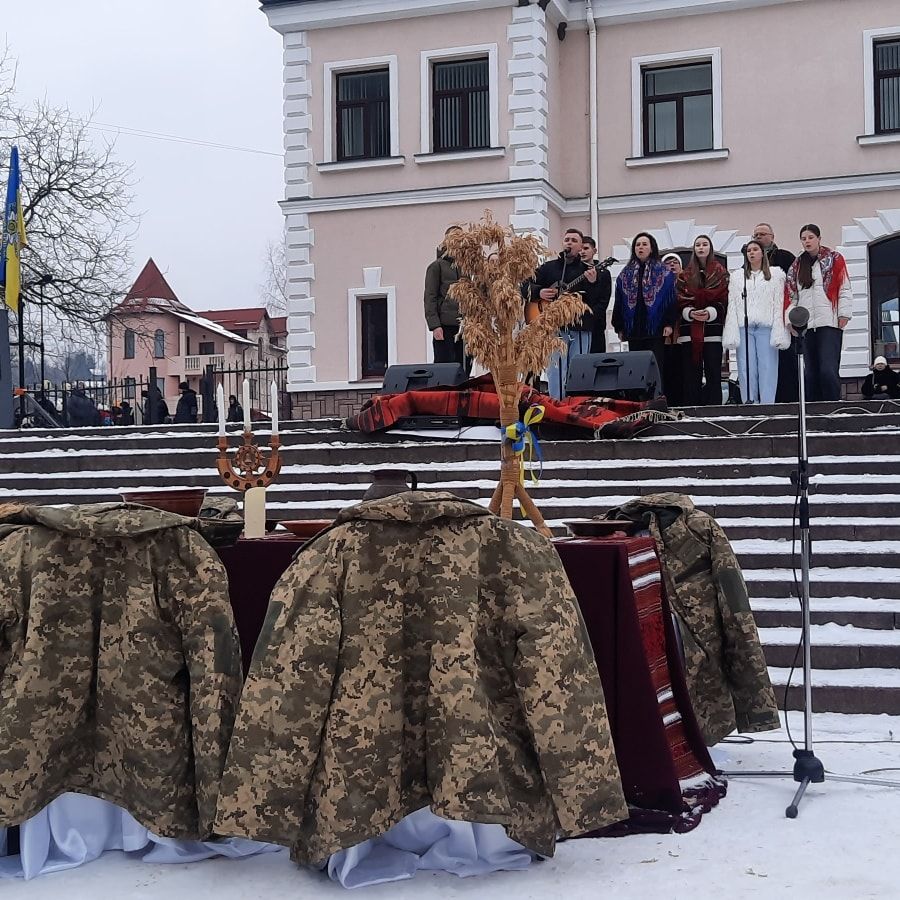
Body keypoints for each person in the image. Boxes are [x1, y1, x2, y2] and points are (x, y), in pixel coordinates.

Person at [530, 228, 602, 399]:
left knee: (579, 367)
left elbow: (596, 301)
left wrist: (592, 284)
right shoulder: (549, 268)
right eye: (567, 239)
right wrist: (539, 292)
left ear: (580, 247)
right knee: (555, 369)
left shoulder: (589, 270)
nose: (569, 243)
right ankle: (557, 403)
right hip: (555, 327)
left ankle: (577, 403)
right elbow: (525, 285)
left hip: (580, 326)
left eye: (574, 240)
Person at [784, 224, 852, 402]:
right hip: (806, 326)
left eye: (810, 237)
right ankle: (813, 410)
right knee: (810, 371)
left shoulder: (834, 259)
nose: (807, 241)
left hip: (829, 323)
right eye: (804, 238)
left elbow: (844, 288)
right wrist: (790, 320)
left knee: (827, 369)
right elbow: (792, 296)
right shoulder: (797, 265)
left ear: (819, 238)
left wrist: (843, 314)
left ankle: (832, 406)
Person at [722, 240, 789, 405]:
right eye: (749, 250)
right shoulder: (738, 277)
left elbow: (779, 303)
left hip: (766, 326)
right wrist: (731, 330)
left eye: (755, 249)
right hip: (744, 327)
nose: (751, 253)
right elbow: (733, 304)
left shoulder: (775, 276)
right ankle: (749, 400)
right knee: (746, 368)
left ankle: (767, 403)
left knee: (767, 367)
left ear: (762, 253)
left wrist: (779, 329)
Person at [612, 233, 676, 394]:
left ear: (652, 247)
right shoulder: (625, 273)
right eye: (638, 245)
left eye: (644, 244)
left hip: (655, 329)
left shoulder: (664, 271)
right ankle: (637, 399)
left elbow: (670, 300)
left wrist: (669, 323)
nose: (640, 247)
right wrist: (619, 326)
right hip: (633, 330)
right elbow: (619, 301)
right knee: (635, 367)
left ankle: (657, 398)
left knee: (655, 365)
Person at [676, 235, 729, 406]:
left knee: (714, 372)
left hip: (713, 330)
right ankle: (692, 408)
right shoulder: (684, 275)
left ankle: (715, 408)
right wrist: (690, 313)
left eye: (705, 244)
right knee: (691, 373)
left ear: (710, 248)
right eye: (697, 245)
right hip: (689, 331)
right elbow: (679, 300)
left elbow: (724, 299)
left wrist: (710, 312)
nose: (701, 247)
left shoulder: (720, 272)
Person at [752, 224, 798, 403]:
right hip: (760, 320)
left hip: (782, 317)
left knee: (786, 361)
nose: (758, 237)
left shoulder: (784, 257)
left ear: (772, 236)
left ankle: (789, 400)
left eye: (762, 234)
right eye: (755, 234)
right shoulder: (750, 260)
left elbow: (794, 285)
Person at [424, 226, 465, 367]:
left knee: (464, 365)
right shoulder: (436, 267)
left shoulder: (466, 267)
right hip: (445, 326)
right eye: (454, 238)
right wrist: (435, 326)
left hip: (465, 326)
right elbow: (430, 297)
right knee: (445, 366)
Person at [581, 235, 612, 353]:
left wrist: (589, 316)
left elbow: (604, 300)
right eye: (581, 249)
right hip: (575, 327)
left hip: (595, 325)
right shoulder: (572, 272)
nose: (582, 252)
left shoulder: (603, 273)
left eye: (586, 248)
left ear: (594, 251)